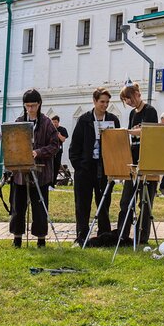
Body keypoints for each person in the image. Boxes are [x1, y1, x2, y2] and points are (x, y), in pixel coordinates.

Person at [69, 87, 121, 247]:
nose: (104, 105)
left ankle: (104, 236)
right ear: (94, 101)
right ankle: (82, 236)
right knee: (83, 204)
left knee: (104, 203)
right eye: (102, 102)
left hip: (105, 168)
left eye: (107, 102)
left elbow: (117, 144)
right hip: (85, 169)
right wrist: (79, 166)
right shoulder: (84, 120)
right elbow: (74, 146)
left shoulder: (113, 119)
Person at [9, 89, 60, 248]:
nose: (30, 109)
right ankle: (17, 239)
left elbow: (55, 145)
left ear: (39, 104)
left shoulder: (46, 123)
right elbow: (11, 143)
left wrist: (37, 152)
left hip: (41, 172)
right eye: (27, 105)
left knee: (39, 207)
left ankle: (41, 240)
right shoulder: (18, 121)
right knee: (18, 206)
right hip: (20, 172)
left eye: (33, 105)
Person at [117, 82, 160, 244]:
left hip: (148, 162)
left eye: (129, 98)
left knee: (145, 201)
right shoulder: (132, 114)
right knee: (126, 200)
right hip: (132, 163)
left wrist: (128, 131)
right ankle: (122, 235)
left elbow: (148, 132)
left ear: (137, 93)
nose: (128, 102)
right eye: (125, 100)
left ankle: (142, 237)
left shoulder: (150, 111)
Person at [50, 116, 68, 189]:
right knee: (50, 167)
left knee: (56, 167)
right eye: (53, 122)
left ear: (58, 122)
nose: (54, 124)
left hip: (58, 151)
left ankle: (53, 183)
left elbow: (63, 139)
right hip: (50, 151)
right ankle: (48, 183)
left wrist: (58, 133)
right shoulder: (49, 129)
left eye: (56, 122)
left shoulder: (62, 129)